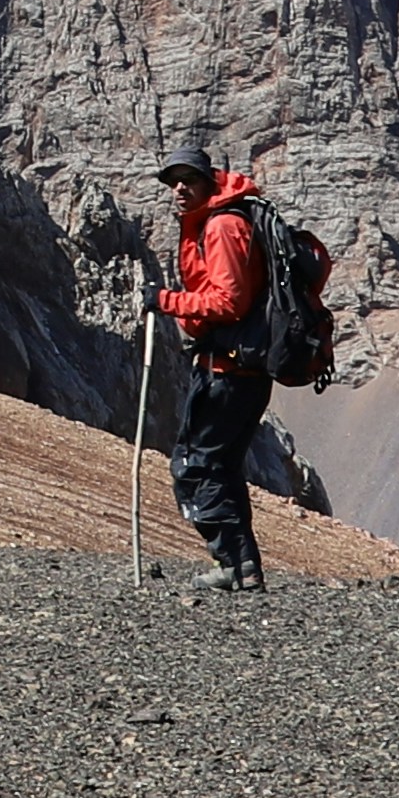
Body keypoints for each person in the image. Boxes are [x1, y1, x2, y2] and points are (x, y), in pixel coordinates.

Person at [150, 153, 273, 590]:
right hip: (241, 369)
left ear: (209, 182)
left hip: (228, 370)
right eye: (172, 182)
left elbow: (228, 301)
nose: (179, 189)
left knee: (195, 467)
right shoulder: (224, 220)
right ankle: (243, 568)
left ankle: (232, 564)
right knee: (221, 468)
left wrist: (167, 301)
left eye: (188, 180)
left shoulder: (222, 226)